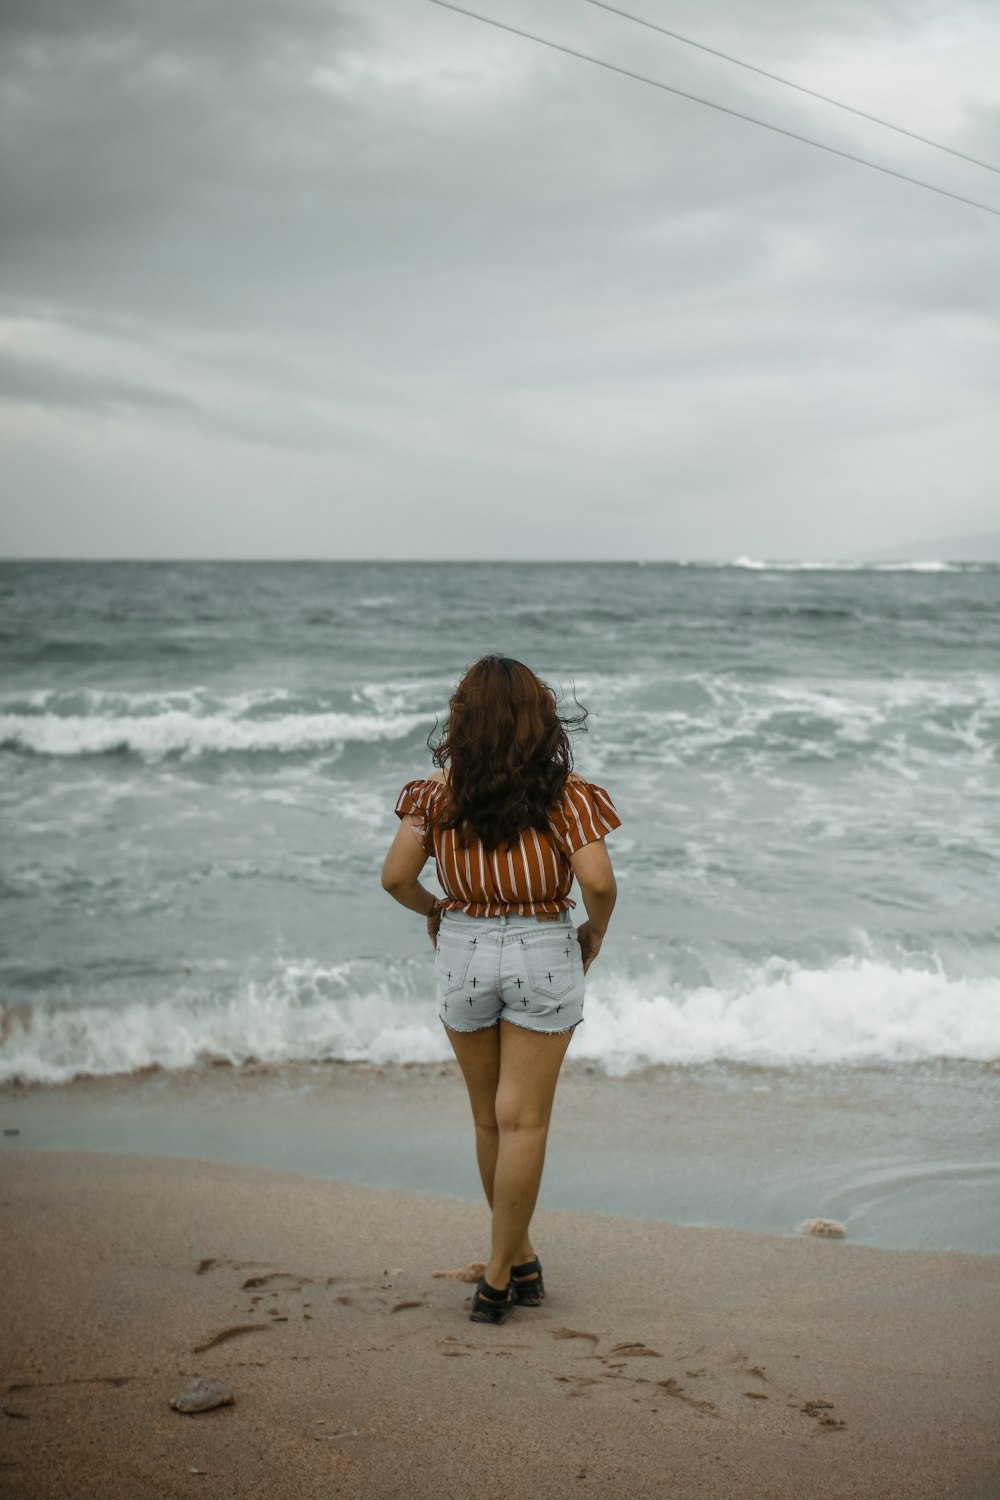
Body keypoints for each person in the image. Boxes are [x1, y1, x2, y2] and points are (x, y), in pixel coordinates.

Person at [381, 655, 620, 1324]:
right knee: (526, 1122)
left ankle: (519, 1260)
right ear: (539, 721)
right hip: (544, 943)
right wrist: (594, 934)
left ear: (463, 722)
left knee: (489, 1120)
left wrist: (435, 911)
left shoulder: (435, 795)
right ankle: (496, 1276)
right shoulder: (566, 796)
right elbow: (598, 884)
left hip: (462, 945)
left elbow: (395, 878)